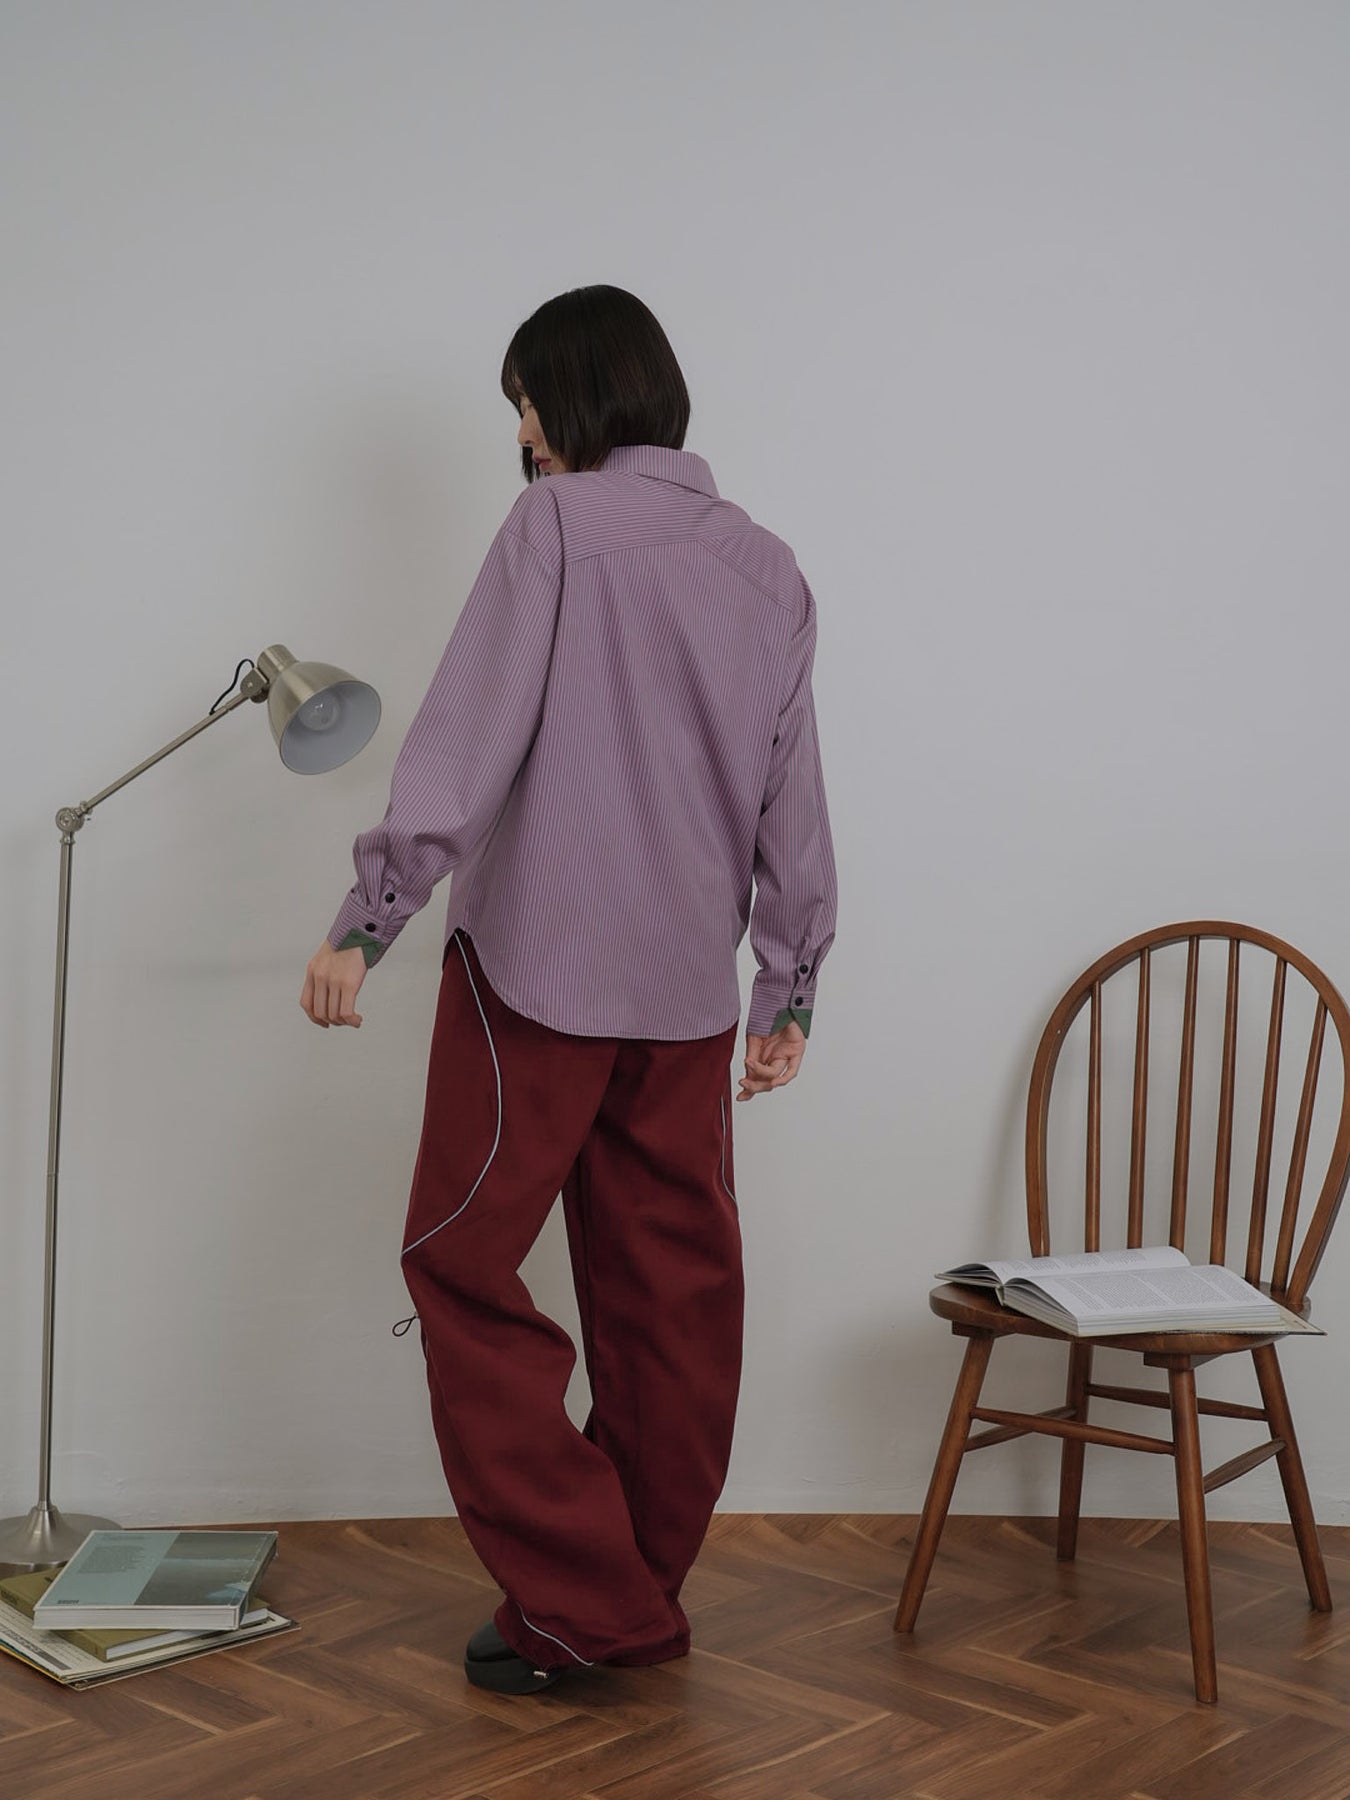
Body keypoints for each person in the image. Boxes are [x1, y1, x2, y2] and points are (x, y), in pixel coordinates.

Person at [300, 285, 837, 1694]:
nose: (527, 436)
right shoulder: (769, 568)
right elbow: (793, 798)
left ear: (580, 397)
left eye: (530, 403)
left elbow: (465, 742)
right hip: (686, 997)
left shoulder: (553, 526)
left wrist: (370, 919)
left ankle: (585, 1597)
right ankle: (622, 1590)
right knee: (673, 1300)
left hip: (532, 980)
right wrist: (788, 988)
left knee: (461, 1265)